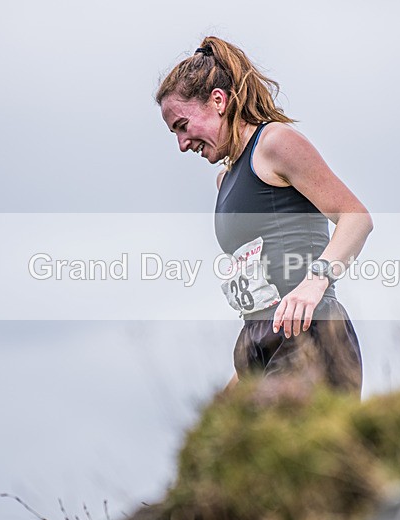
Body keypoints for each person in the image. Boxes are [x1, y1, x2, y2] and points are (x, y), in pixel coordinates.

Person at [156, 36, 373, 396]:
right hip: (257, 347)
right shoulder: (224, 180)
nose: (182, 144)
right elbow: (261, 296)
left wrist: (314, 282)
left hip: (310, 335)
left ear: (218, 101)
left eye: (182, 125)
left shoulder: (274, 144)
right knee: (223, 448)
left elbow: (357, 218)